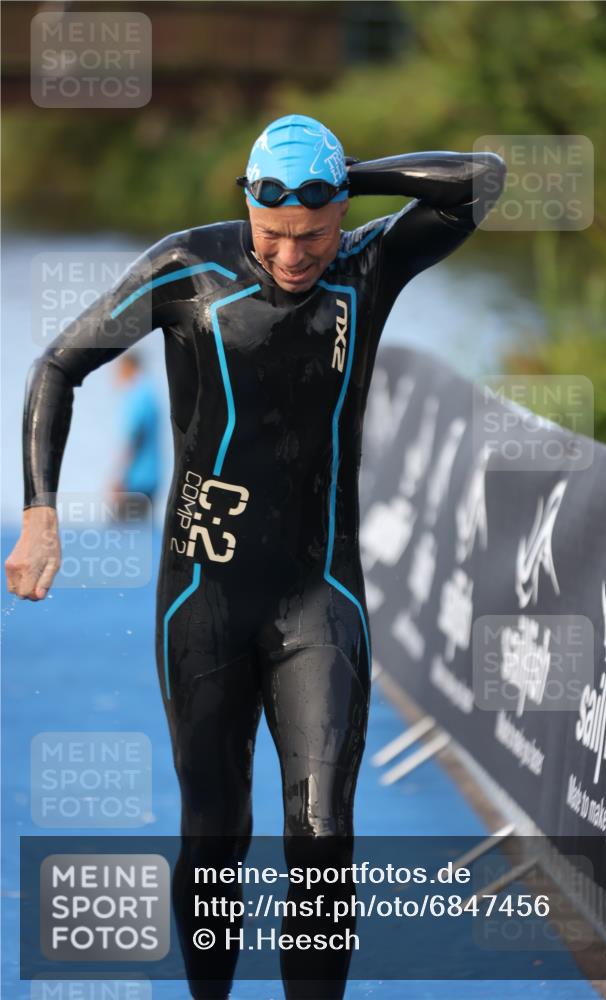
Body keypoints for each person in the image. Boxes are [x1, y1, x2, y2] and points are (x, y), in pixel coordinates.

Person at [5, 114, 506, 998]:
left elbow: (482, 179)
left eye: (312, 235)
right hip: (200, 594)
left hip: (320, 592)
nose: (291, 256)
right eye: (273, 235)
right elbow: (57, 366)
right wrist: (40, 511)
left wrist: (347, 172)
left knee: (322, 835)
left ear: (341, 214)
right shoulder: (185, 268)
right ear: (245, 207)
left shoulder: (368, 264)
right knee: (215, 829)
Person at [110, 351, 161, 520]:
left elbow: (135, 438)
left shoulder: (138, 395)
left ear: (128, 368)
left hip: (135, 481)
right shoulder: (149, 392)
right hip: (151, 477)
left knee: (120, 535)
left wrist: (120, 477)